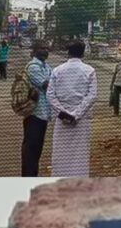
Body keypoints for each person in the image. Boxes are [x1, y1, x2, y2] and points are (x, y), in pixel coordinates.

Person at [47, 40, 97, 177]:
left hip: (62, 119)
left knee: (60, 152)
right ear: (83, 52)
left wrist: (63, 113)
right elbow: (92, 95)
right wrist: (76, 114)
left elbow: (50, 95)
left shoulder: (57, 70)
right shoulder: (89, 71)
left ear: (68, 52)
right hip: (81, 120)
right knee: (80, 154)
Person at [21, 40, 52, 176]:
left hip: (43, 113)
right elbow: (46, 85)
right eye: (42, 48)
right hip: (34, 113)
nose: (46, 51)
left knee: (37, 149)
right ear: (35, 50)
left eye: (47, 48)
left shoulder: (46, 66)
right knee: (31, 149)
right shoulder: (33, 67)